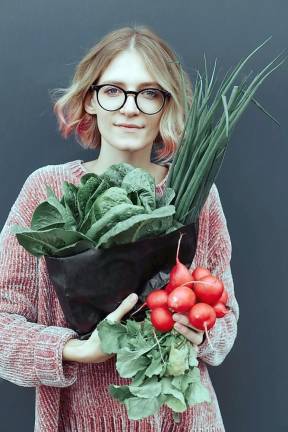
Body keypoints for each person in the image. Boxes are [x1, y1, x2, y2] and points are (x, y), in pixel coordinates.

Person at [0, 25, 239, 431]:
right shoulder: (49, 189)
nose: (129, 107)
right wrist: (75, 350)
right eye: (113, 90)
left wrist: (199, 333)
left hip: (184, 422)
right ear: (90, 99)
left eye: (149, 93)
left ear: (167, 105)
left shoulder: (195, 192)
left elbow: (226, 319)